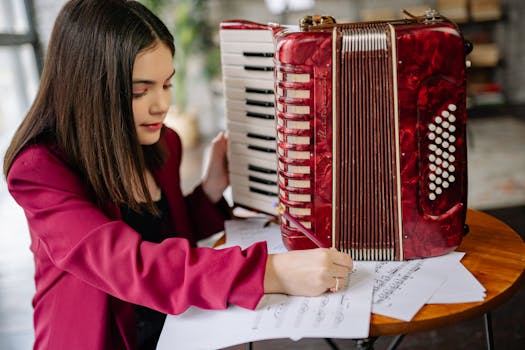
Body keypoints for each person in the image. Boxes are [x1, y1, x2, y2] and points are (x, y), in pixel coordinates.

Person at [2, 1, 353, 349]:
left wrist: (211, 191)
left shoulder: (164, 142)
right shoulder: (39, 170)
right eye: (140, 91)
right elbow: (129, 265)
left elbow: (167, 237)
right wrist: (271, 272)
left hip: (175, 329)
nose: (161, 105)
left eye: (167, 85)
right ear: (89, 90)